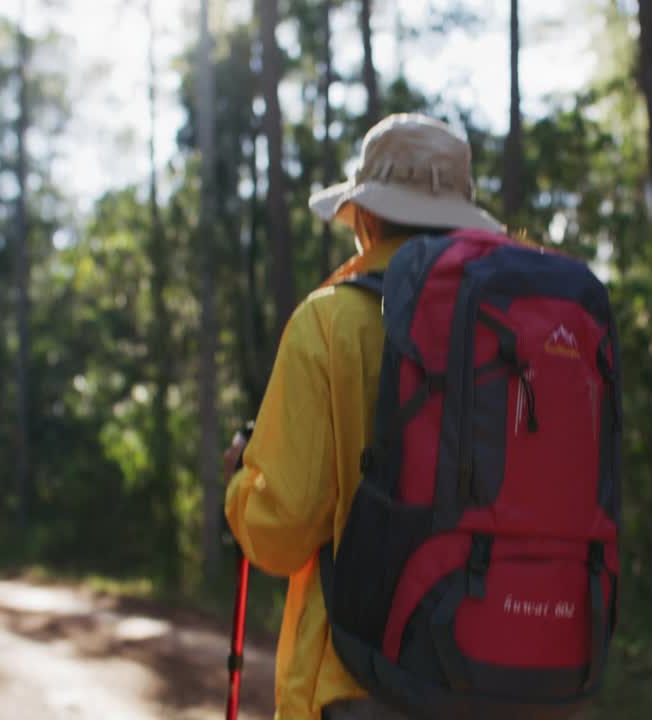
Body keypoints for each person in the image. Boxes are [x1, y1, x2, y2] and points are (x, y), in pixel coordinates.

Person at [223, 113, 505, 720]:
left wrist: (243, 486)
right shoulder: (513, 322)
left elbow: (282, 529)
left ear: (367, 219)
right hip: (504, 679)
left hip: (359, 690)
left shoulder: (330, 323)